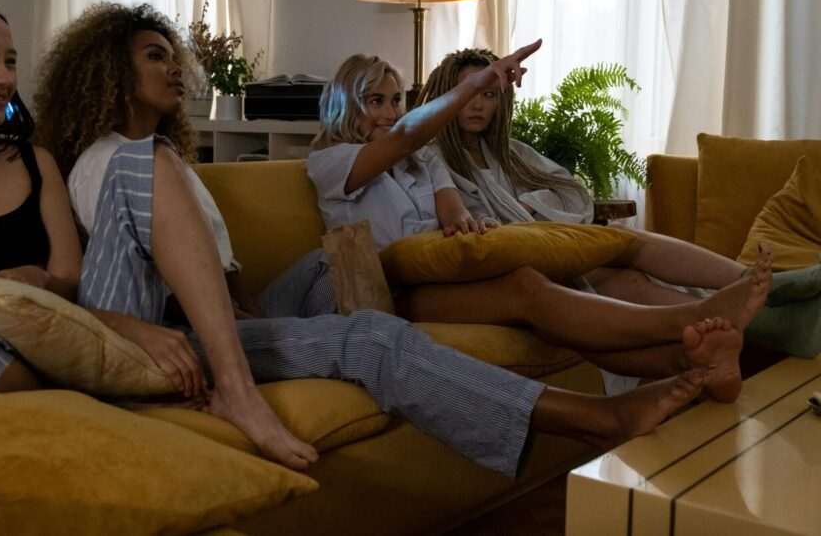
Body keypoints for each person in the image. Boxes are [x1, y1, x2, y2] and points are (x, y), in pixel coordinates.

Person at [33, 1, 731, 478]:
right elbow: (94, 282)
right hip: (172, 332)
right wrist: (468, 89)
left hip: (238, 315)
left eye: (172, 55)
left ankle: (670, 359)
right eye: (155, 56)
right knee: (372, 317)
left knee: (379, 298)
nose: (174, 68)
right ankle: (613, 403)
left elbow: (416, 169)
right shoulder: (110, 162)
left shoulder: (173, 164)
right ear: (110, 73)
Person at [0, 0, 314, 471]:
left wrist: (73, 300)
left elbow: (71, 280)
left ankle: (233, 390)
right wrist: (106, 318)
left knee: (143, 158)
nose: (5, 77)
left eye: (11, 62)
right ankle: (115, 402)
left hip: (79, 341)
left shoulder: (34, 161)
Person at [306, 51, 773, 403]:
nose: (390, 112)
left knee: (543, 288)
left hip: (444, 271)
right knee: (529, 289)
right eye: (375, 101)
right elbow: (409, 133)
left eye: (394, 100)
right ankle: (693, 316)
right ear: (346, 104)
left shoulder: (421, 161)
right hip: (391, 291)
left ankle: (695, 363)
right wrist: (478, 82)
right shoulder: (330, 161)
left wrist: (468, 226)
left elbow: (451, 209)